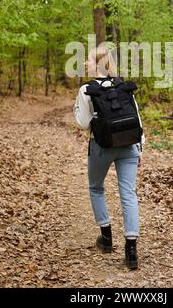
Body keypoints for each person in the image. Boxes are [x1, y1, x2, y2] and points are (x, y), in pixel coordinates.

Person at [73, 44, 145, 270]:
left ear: (97, 64)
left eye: (89, 60)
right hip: (129, 145)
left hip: (102, 146)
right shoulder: (124, 85)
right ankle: (131, 250)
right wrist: (139, 147)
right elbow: (136, 117)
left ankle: (106, 238)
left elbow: (84, 124)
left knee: (96, 188)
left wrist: (77, 109)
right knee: (128, 193)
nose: (86, 63)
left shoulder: (87, 90)